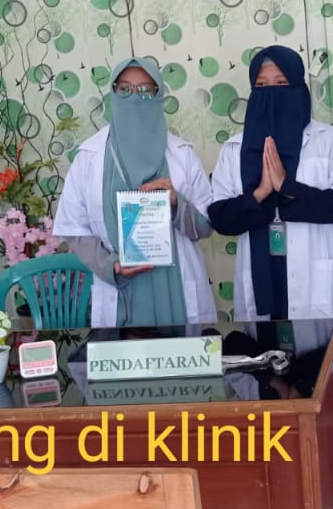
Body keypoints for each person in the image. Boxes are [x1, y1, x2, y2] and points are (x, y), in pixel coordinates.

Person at [206, 45, 333, 486]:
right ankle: (277, 487)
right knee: (266, 382)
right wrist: (259, 194)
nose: (271, 92)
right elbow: (221, 218)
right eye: (261, 85)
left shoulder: (328, 139)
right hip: (261, 281)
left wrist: (287, 188)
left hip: (315, 283)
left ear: (299, 87)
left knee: (321, 386)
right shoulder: (235, 147)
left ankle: (332, 486)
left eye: (281, 84)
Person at [52, 58, 217, 328]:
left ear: (158, 96)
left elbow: (207, 225)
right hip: (119, 290)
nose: (134, 98)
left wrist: (177, 204)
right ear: (113, 94)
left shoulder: (182, 154)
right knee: (123, 354)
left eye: (145, 90)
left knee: (183, 355)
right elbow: (74, 229)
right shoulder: (89, 157)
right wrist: (110, 265)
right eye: (125, 89)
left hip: (178, 288)